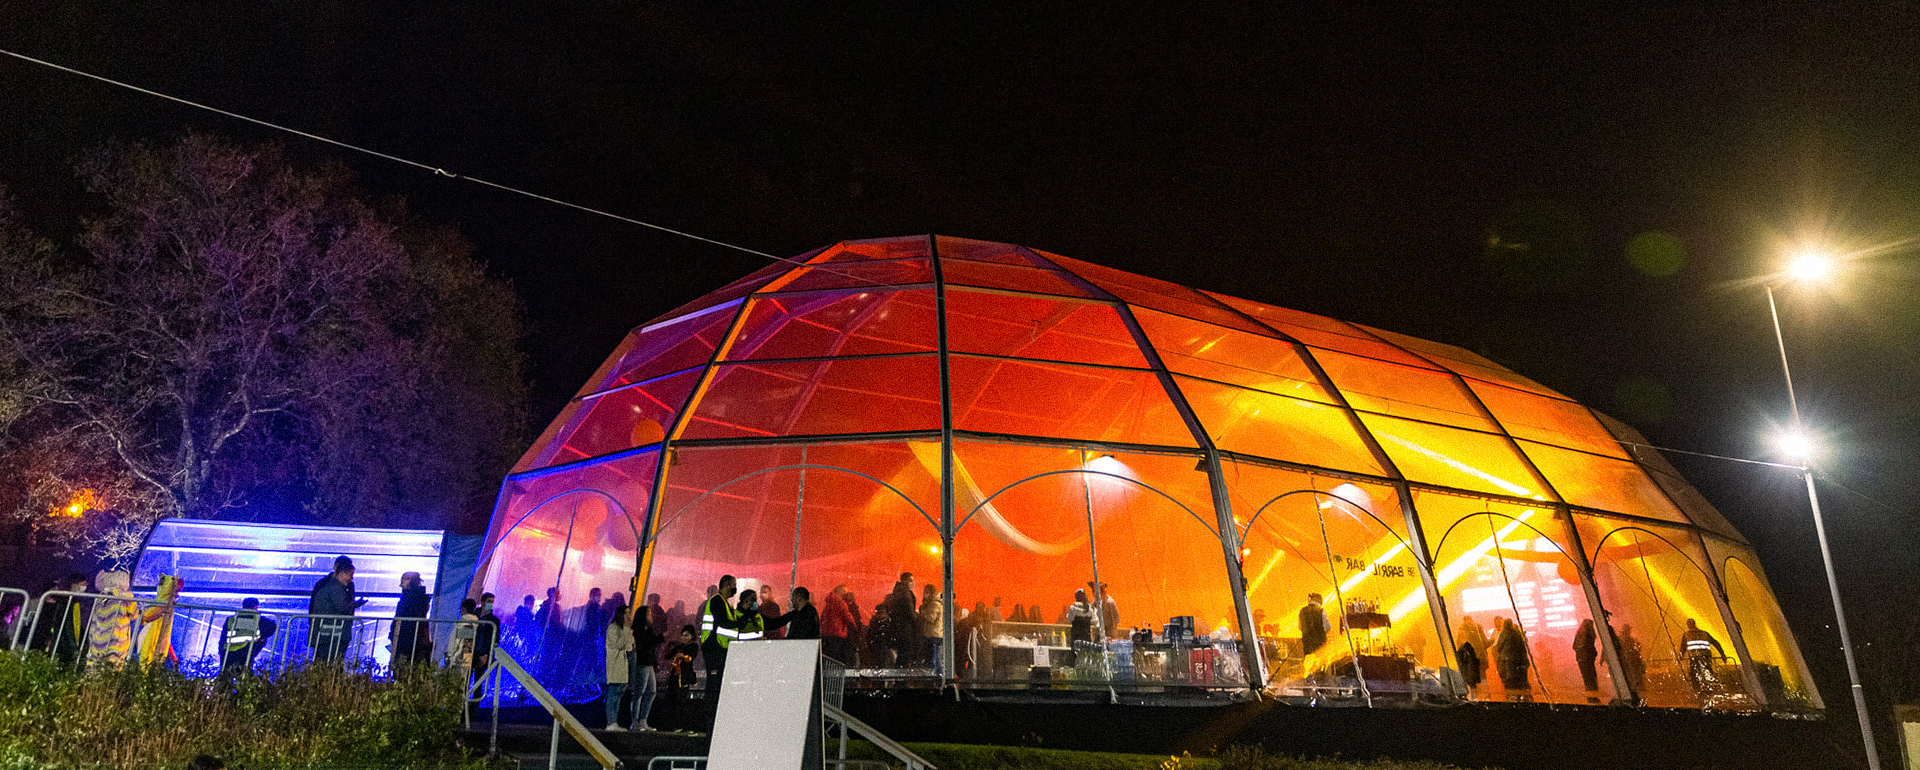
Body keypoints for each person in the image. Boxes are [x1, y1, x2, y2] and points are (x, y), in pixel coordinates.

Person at [698, 575, 743, 703]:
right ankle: (709, 713)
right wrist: (739, 624)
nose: (735, 588)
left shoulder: (724, 602)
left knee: (717, 682)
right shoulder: (717, 601)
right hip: (713, 647)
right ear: (727, 585)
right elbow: (722, 622)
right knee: (713, 683)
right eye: (734, 585)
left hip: (720, 648)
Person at [308, 556, 360, 664]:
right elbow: (342, 606)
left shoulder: (326, 584)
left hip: (327, 633)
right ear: (342, 573)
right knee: (331, 662)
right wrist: (354, 605)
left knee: (324, 662)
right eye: (350, 575)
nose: (351, 578)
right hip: (332, 633)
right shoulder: (335, 587)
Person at [34, 573, 90, 665]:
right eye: (83, 584)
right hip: (61, 646)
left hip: (69, 646)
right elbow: (65, 627)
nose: (85, 587)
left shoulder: (78, 602)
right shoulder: (62, 602)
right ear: (74, 585)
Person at [630, 604, 665, 731]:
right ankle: (635, 721)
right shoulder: (638, 630)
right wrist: (660, 638)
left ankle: (643, 720)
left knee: (651, 691)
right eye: (648, 613)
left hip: (649, 663)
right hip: (642, 663)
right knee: (639, 692)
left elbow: (651, 647)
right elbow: (646, 644)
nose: (651, 616)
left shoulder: (648, 629)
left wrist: (655, 662)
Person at [220, 598, 276, 676]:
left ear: (243, 606)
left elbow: (223, 638)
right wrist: (261, 638)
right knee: (244, 677)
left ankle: (223, 687)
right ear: (255, 607)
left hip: (228, 653)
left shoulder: (231, 619)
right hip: (246, 652)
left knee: (225, 678)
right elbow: (272, 627)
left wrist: (221, 652)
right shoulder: (258, 620)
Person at [391, 572, 431, 666]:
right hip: (406, 636)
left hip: (409, 638)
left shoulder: (416, 599)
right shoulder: (413, 598)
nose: (401, 584)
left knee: (406, 664)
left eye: (404, 580)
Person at [603, 605, 633, 731]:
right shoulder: (613, 628)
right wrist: (626, 630)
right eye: (626, 613)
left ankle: (614, 721)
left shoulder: (624, 629)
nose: (628, 616)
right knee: (613, 694)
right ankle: (610, 722)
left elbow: (629, 647)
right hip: (615, 665)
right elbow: (619, 645)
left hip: (623, 666)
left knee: (619, 695)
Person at [1680, 618, 1725, 698]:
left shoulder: (1687, 635)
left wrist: (1680, 657)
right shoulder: (1704, 633)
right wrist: (1722, 654)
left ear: (1688, 625)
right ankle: (1711, 689)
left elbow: (1683, 648)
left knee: (1694, 675)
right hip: (1706, 657)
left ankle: (1698, 692)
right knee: (1708, 673)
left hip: (1695, 658)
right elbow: (1716, 643)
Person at [1492, 617, 1532, 702]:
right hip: (1517, 661)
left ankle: (1512, 698)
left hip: (1506, 661)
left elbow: (1499, 646)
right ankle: (1523, 697)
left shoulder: (1503, 634)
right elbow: (1522, 648)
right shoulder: (1517, 634)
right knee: (1518, 679)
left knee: (1509, 680)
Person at [821, 585, 855, 664]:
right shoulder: (839, 601)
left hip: (828, 633)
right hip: (838, 632)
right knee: (838, 659)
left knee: (830, 659)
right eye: (844, 592)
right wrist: (854, 625)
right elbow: (846, 615)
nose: (845, 594)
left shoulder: (829, 602)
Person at [1573, 618, 1601, 703]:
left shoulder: (1578, 635)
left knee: (1586, 678)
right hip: (1588, 659)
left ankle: (1590, 696)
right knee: (1591, 676)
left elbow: (1574, 646)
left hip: (1581, 659)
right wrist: (1593, 652)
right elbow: (1590, 647)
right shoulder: (1589, 636)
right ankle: (1593, 696)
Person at [474, 592, 501, 675]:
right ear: (482, 602)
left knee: (479, 677)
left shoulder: (494, 620)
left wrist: (487, 654)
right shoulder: (474, 615)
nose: (490, 604)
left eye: (492, 602)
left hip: (483, 652)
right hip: (471, 650)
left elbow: (495, 638)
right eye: (488, 601)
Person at [918, 584, 943, 672]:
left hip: (934, 634)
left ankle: (937, 677)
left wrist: (922, 612)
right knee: (934, 658)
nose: (924, 595)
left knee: (934, 659)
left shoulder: (934, 604)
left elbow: (931, 617)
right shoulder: (932, 603)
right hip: (931, 633)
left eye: (926, 592)